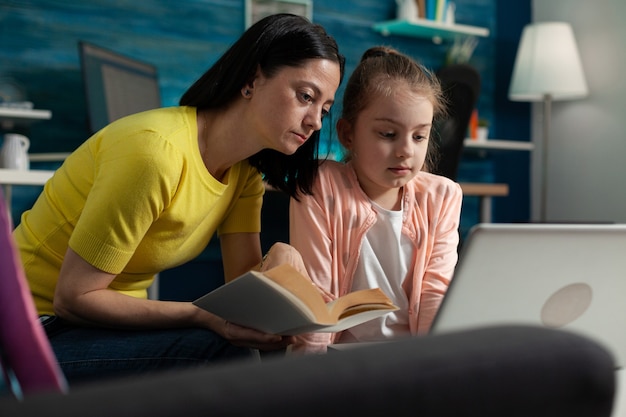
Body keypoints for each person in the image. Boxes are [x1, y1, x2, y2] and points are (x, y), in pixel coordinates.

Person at [12, 13, 344, 384]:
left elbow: (247, 297)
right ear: (253, 79)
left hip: (94, 328)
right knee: (219, 351)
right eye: (305, 96)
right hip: (30, 329)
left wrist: (281, 259)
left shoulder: (243, 174)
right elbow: (73, 298)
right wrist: (201, 314)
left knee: (252, 345)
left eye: (325, 109)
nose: (315, 120)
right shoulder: (156, 155)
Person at [289, 46, 463, 353]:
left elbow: (435, 293)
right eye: (387, 134)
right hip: (340, 362)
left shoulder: (442, 196)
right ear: (347, 134)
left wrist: (436, 367)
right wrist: (310, 382)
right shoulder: (320, 186)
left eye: (419, 136)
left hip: (412, 360)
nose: (406, 150)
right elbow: (316, 297)